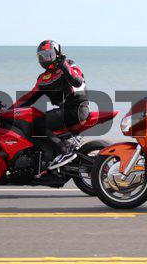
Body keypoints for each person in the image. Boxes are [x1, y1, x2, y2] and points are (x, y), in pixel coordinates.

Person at [11, 40, 89, 169]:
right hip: (65, 110)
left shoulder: (69, 64)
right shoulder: (44, 78)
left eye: (48, 55)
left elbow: (77, 82)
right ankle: (47, 158)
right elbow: (29, 97)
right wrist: (8, 110)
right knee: (33, 121)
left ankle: (65, 151)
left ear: (57, 54)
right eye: (41, 56)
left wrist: (63, 65)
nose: (45, 59)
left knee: (37, 125)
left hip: (76, 109)